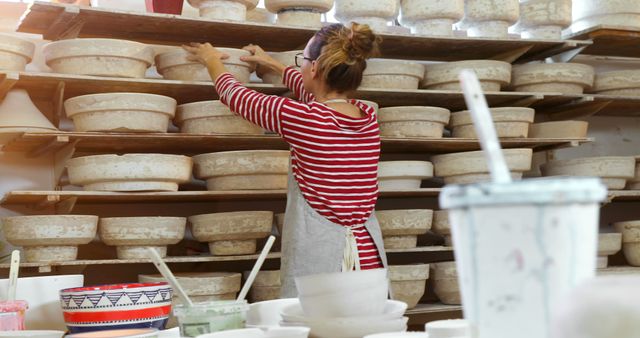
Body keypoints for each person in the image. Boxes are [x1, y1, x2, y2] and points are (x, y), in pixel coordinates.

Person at [183, 22, 387, 297]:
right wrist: (272, 64)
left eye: (302, 61)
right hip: (368, 256)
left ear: (314, 68)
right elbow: (314, 94)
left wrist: (211, 61)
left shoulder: (304, 118)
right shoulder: (367, 117)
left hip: (328, 263)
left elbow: (235, 96)